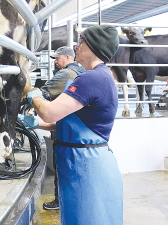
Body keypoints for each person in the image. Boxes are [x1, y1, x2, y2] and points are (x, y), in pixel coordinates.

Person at [22, 25, 123, 224]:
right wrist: (36, 123)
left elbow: (50, 111)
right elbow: (72, 123)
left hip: (87, 167)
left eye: (81, 43)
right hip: (83, 161)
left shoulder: (91, 78)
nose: (76, 47)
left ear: (94, 47)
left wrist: (32, 94)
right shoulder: (101, 76)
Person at [40, 46, 85, 210]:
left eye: (57, 58)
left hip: (64, 126)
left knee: (61, 163)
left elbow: (44, 91)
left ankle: (60, 200)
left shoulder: (66, 73)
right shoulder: (83, 71)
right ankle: (74, 200)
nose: (55, 61)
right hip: (79, 127)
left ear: (67, 57)